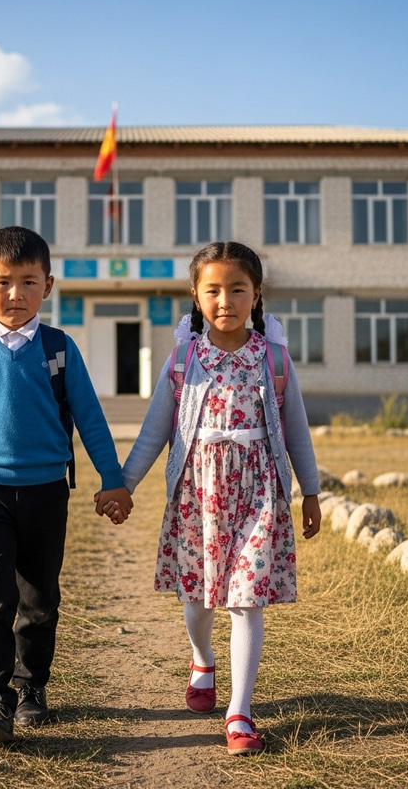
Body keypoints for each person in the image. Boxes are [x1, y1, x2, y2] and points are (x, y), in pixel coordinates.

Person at [0, 226, 133, 745]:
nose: (15, 294)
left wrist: (113, 481)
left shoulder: (59, 350)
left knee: (40, 598)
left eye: (28, 282)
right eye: (3, 283)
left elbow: (90, 419)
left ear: (49, 286)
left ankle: (32, 688)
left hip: (46, 494)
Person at [118, 241, 321, 756]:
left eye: (238, 288)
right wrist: (123, 483)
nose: (225, 299)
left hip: (260, 492)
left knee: (246, 597)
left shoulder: (272, 357)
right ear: (195, 294)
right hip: (198, 494)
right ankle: (201, 658)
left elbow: (296, 428)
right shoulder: (185, 358)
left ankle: (239, 712)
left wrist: (311, 490)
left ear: (256, 295)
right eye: (213, 289)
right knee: (199, 599)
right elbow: (153, 432)